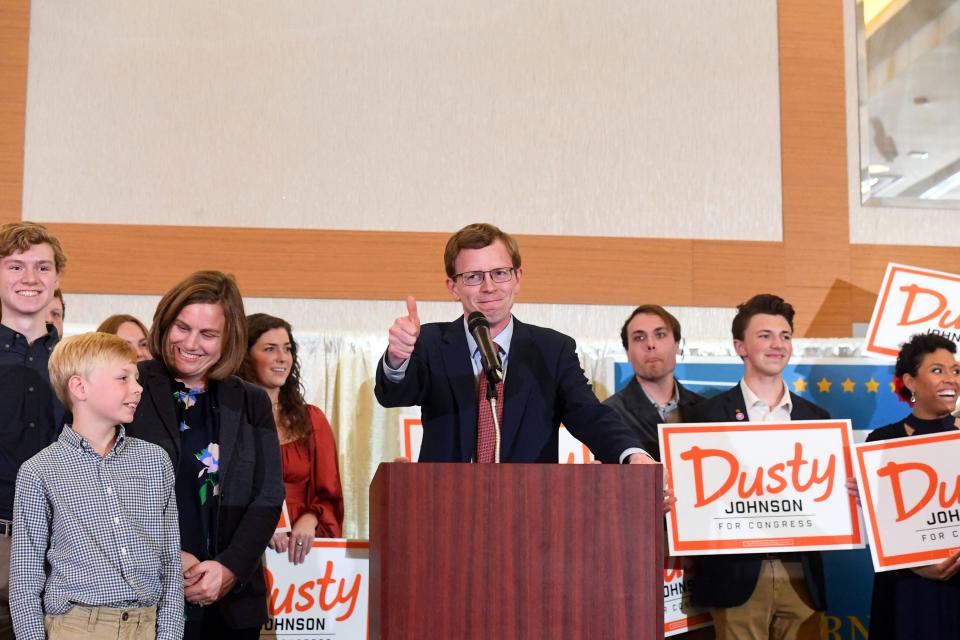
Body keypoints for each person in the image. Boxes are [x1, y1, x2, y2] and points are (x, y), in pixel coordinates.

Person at [375, 222, 655, 466]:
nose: (489, 287)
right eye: (473, 277)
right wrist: (397, 359)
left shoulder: (552, 350)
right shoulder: (430, 343)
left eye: (499, 273)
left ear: (517, 278)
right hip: (448, 509)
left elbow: (589, 415)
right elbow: (394, 396)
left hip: (527, 509)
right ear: (453, 287)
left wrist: (631, 454)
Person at [125, 271, 284, 639]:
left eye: (208, 334)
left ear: (228, 339)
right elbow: (101, 486)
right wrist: (168, 557)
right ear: (165, 323)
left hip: (232, 605)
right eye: (182, 327)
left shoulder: (251, 400)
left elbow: (269, 495)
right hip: (145, 597)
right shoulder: (129, 384)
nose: (191, 343)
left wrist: (229, 568)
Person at [9, 332, 182, 640]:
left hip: (147, 625)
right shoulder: (39, 471)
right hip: (74, 627)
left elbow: (170, 561)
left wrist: (169, 633)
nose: (138, 388)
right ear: (79, 387)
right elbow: (25, 577)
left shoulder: (155, 462)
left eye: (137, 377)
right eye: (123, 378)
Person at [687, 294, 827, 640]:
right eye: (764, 335)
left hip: (800, 574)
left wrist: (846, 491)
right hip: (735, 575)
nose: (777, 344)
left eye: (785, 336)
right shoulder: (705, 417)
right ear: (740, 346)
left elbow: (828, 501)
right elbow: (695, 499)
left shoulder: (818, 420)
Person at [865, 333, 960, 639]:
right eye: (937, 370)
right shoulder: (881, 442)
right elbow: (876, 524)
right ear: (910, 381)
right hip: (905, 588)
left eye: (955, 371)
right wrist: (917, 565)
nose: (951, 379)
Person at [0, 221, 67, 640]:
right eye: (15, 266)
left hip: (60, 548)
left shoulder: (79, 363)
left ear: (58, 278)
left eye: (42, 268)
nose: (30, 278)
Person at [239, 313, 344, 563]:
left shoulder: (312, 419)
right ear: (245, 357)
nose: (282, 358)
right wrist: (265, 521)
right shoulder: (229, 420)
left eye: (287, 349)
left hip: (303, 548)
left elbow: (330, 494)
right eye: (270, 349)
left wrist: (311, 518)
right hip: (245, 544)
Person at [604, 305, 703, 460]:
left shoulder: (706, 410)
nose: (650, 344)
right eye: (639, 338)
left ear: (677, 345)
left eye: (660, 335)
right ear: (627, 352)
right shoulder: (609, 415)